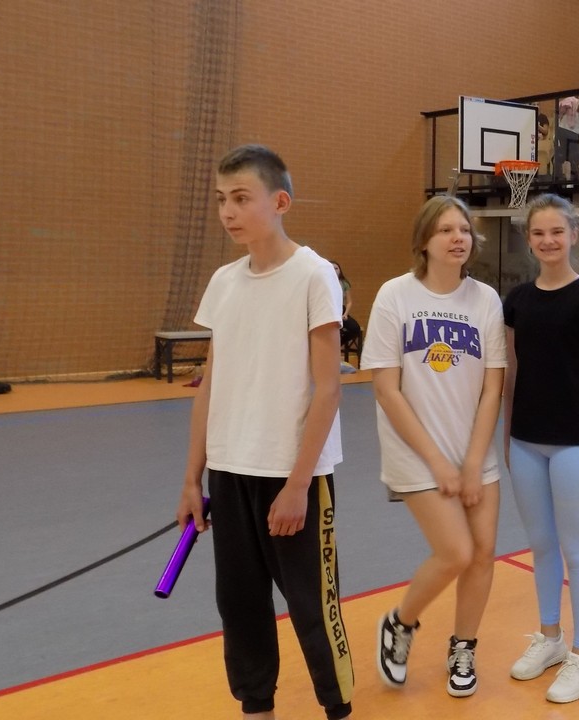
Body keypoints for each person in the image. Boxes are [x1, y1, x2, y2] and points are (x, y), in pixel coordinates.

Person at [174, 144, 353, 720]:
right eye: (221, 200)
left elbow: (328, 389)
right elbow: (211, 385)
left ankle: (337, 708)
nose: (228, 211)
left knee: (312, 608)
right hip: (229, 474)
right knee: (240, 606)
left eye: (241, 198)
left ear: (280, 202)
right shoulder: (224, 281)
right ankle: (258, 710)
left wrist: (298, 485)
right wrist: (192, 478)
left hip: (292, 476)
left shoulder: (314, 275)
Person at [363, 195, 506, 699]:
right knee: (456, 551)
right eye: (445, 230)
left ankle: (463, 648)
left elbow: (492, 388)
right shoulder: (395, 295)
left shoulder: (485, 300)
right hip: (416, 452)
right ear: (424, 240)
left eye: (463, 229)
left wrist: (472, 462)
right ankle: (400, 623)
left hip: (474, 452)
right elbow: (386, 389)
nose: (457, 237)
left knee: (483, 554)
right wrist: (439, 463)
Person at [503, 194, 579, 704]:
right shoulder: (517, 301)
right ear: (528, 240)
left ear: (573, 234)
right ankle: (551, 638)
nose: (548, 240)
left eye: (556, 231)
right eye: (538, 233)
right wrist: (507, 436)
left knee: (576, 548)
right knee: (541, 545)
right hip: (526, 442)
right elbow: (512, 374)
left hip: (575, 443)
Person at [332, 260, 363, 371]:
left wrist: (345, 314)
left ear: (340, 270)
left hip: (341, 310)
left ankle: (336, 345)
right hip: (330, 310)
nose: (334, 270)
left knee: (355, 328)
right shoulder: (324, 281)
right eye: (332, 268)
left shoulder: (344, 283)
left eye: (336, 268)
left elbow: (349, 302)